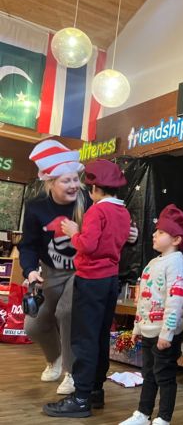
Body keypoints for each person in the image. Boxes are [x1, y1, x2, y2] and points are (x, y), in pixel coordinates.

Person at [43, 159, 131, 418]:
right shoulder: (123, 212)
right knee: (100, 336)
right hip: (110, 280)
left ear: (94, 189)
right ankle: (95, 391)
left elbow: (87, 245)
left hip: (91, 279)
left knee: (84, 339)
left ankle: (80, 397)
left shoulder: (97, 211)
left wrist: (74, 232)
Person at [119, 204, 183, 425]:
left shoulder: (177, 265)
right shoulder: (152, 263)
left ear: (176, 239)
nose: (154, 235)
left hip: (165, 335)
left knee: (164, 376)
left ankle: (163, 417)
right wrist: (137, 327)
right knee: (148, 374)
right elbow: (143, 300)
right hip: (148, 330)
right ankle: (143, 413)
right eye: (156, 231)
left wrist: (167, 333)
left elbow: (175, 302)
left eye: (162, 232)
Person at [20, 140, 88, 395]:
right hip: (49, 272)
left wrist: (130, 236)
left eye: (75, 179)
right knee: (33, 326)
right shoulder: (36, 207)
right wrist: (30, 270)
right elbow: (28, 245)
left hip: (80, 270)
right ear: (50, 183)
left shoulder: (87, 201)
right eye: (66, 181)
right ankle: (56, 359)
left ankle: (71, 372)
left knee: (66, 312)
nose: (73, 185)